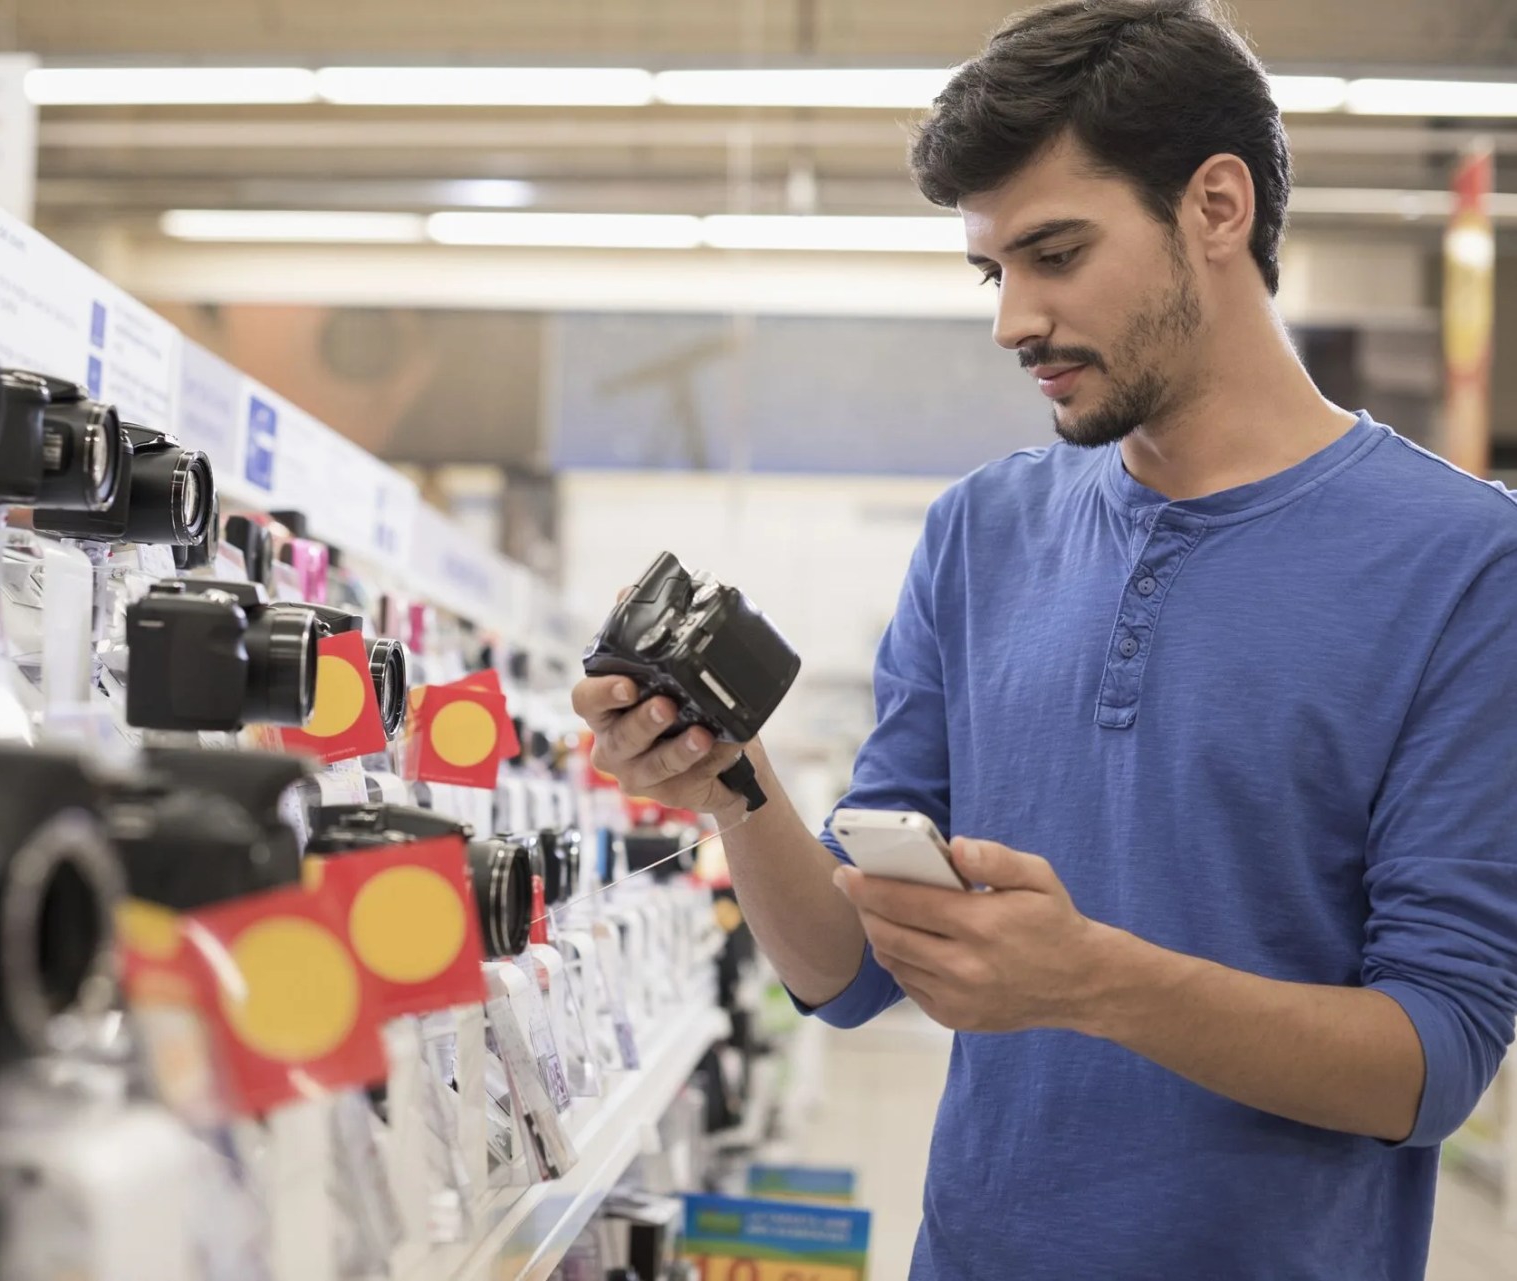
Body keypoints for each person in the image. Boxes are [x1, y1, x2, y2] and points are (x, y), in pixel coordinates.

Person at [573, 1, 1517, 1276]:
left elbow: (1434, 1062)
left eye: (1055, 253)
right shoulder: (981, 530)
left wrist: (1091, 983)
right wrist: (729, 787)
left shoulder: (1463, 562)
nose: (1011, 320)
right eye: (992, 271)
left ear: (1216, 209)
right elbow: (847, 969)